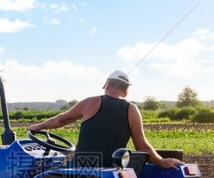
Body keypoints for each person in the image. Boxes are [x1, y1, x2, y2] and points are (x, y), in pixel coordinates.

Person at [28, 70, 184, 170]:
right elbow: (141, 146)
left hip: (80, 168)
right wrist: (162, 161)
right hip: (111, 170)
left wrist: (37, 127)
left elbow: (59, 120)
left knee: (43, 176)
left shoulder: (90, 102)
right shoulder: (132, 110)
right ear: (125, 92)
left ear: (107, 84)